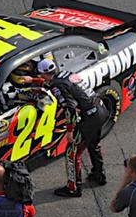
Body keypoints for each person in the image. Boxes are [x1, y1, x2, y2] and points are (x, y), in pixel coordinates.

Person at [35, 58, 108, 197]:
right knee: (94, 144)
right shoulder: (66, 73)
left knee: (72, 152)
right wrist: (33, 81)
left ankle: (73, 188)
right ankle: (99, 175)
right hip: (101, 108)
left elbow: (71, 106)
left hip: (90, 117)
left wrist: (70, 130)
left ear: (44, 74)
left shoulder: (57, 85)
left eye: (40, 75)